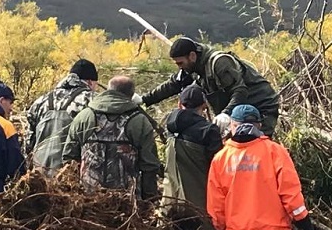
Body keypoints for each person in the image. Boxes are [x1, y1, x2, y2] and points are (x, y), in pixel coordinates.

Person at [140, 37, 280, 137]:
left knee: (257, 146)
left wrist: (226, 113)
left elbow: (240, 90)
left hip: (261, 106)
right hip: (239, 111)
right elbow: (174, 85)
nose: (180, 67)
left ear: (192, 56)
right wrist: (144, 99)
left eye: (180, 63)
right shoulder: (193, 68)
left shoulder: (220, 63)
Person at [63, 75, 161, 198]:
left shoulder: (84, 116)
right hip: (127, 204)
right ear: (131, 95)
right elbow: (150, 165)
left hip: (87, 201)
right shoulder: (139, 121)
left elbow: (69, 158)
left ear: (108, 91)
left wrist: (72, 194)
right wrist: (149, 199)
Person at [27, 59, 98, 174]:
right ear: (90, 81)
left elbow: (29, 142)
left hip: (39, 172)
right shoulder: (91, 100)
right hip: (69, 175)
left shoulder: (41, 100)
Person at [162, 84, 223, 215]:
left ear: (179, 104)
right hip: (199, 204)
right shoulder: (208, 131)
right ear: (204, 105)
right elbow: (218, 168)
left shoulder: (170, 129)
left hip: (169, 201)